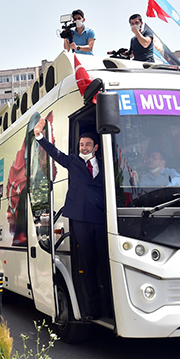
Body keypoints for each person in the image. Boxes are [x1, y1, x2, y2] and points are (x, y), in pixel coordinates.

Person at [33, 118, 107, 320]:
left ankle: (110, 308)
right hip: (80, 220)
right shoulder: (73, 161)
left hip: (100, 219)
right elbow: (55, 153)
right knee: (88, 264)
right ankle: (93, 310)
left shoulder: (105, 165)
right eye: (81, 144)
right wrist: (40, 136)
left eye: (88, 145)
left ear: (96, 147)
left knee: (105, 263)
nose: (84, 148)